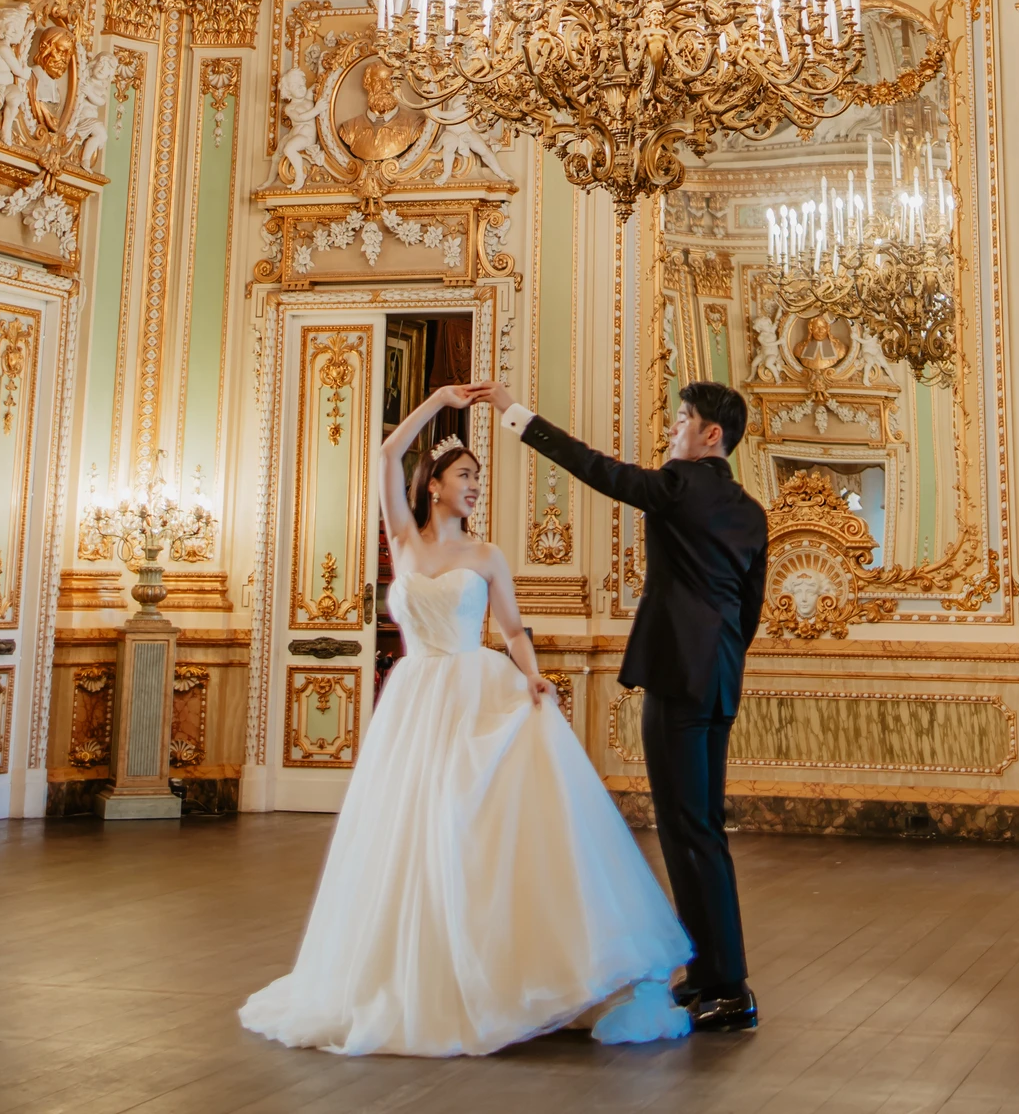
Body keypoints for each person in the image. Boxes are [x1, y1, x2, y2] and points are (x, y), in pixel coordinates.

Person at [239, 381, 689, 1059]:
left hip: (475, 689)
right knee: (410, 831)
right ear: (434, 486)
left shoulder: (487, 557)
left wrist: (532, 670)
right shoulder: (405, 540)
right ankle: (414, 971)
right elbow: (387, 454)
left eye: (477, 478)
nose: (475, 488)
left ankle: (501, 966)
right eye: (464, 476)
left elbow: (510, 628)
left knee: (468, 825)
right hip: (417, 699)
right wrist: (443, 403)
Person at [487, 375, 767, 1035]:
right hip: (719, 679)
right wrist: (716, 657)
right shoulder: (752, 511)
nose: (671, 432)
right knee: (700, 830)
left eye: (680, 422)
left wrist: (517, 415)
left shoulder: (677, 486)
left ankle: (728, 987)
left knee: (685, 830)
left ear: (710, 435)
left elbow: (597, 470)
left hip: (677, 678)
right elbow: (748, 612)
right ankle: (709, 976)